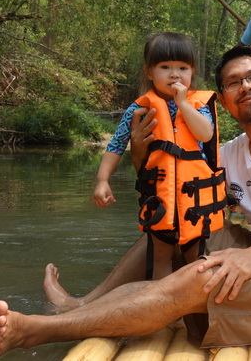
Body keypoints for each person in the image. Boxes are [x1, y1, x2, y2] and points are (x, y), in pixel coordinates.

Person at [0, 46, 251, 357]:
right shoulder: (228, 154)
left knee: (200, 279)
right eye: (233, 82)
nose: (246, 86)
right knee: (174, 225)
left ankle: (40, 330)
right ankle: (80, 305)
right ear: (223, 103)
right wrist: (139, 151)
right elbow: (166, 188)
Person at [93, 31, 227, 281]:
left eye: (182, 68)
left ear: (192, 72)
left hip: (194, 201)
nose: (175, 74)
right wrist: (102, 180)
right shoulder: (139, 108)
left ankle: (197, 310)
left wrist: (184, 104)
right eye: (165, 67)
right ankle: (160, 309)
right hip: (159, 198)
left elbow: (206, 134)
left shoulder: (198, 104)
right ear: (149, 73)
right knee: (160, 258)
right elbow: (117, 144)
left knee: (196, 260)